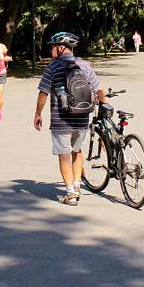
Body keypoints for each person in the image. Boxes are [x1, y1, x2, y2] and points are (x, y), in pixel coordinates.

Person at [33, 32, 107, 206]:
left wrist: (37, 113)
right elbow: (99, 90)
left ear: (61, 48)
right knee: (77, 150)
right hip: (82, 119)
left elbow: (43, 92)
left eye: (52, 46)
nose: (51, 49)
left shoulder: (52, 67)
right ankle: (77, 186)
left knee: (64, 156)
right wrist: (106, 105)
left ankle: (70, 194)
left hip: (61, 121)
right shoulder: (85, 65)